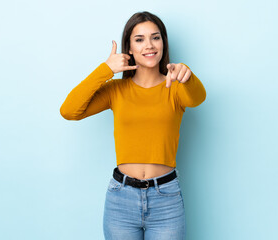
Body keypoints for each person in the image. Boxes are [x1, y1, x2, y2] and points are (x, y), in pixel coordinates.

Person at [60, 11, 206, 240]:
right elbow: (69, 111)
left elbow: (198, 98)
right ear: (129, 48)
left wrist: (187, 76)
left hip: (166, 199)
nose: (149, 45)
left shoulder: (175, 86)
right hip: (121, 200)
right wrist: (105, 69)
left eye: (155, 37)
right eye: (139, 39)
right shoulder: (116, 91)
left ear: (163, 42)